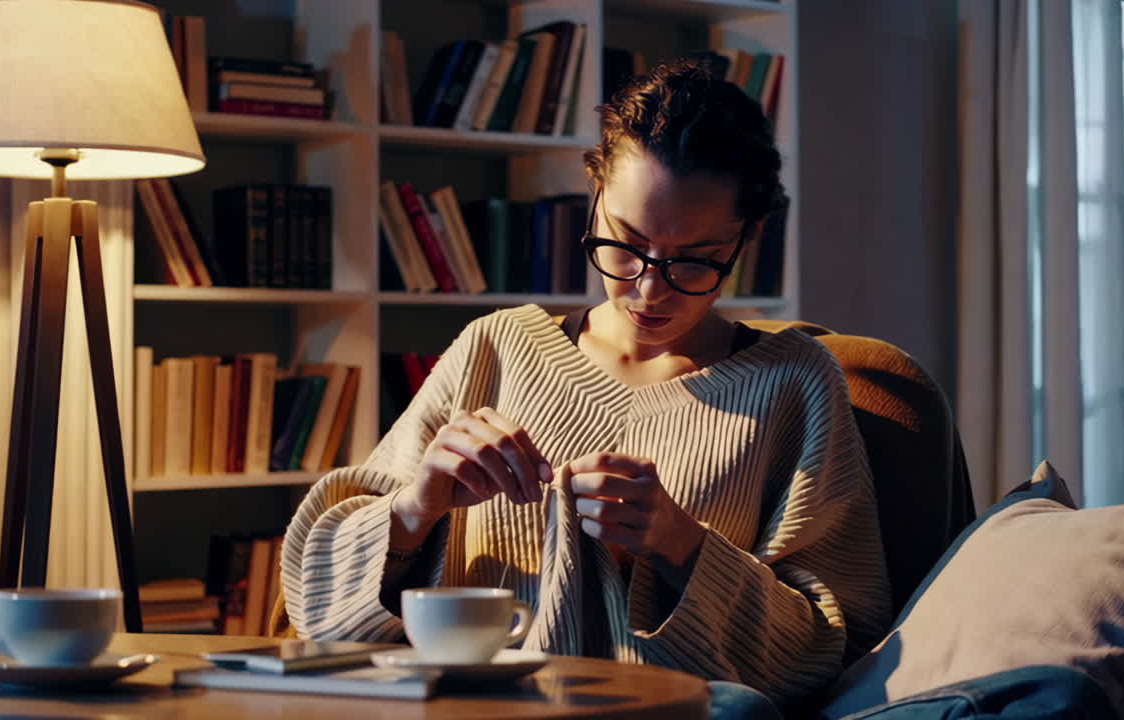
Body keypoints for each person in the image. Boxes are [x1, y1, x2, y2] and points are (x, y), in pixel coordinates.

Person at [280, 59, 891, 714]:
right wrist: (417, 507)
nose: (649, 289)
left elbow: (838, 648)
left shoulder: (796, 383)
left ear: (750, 237)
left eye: (695, 261)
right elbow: (318, 607)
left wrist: (683, 547)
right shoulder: (497, 349)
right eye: (626, 243)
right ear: (595, 191)